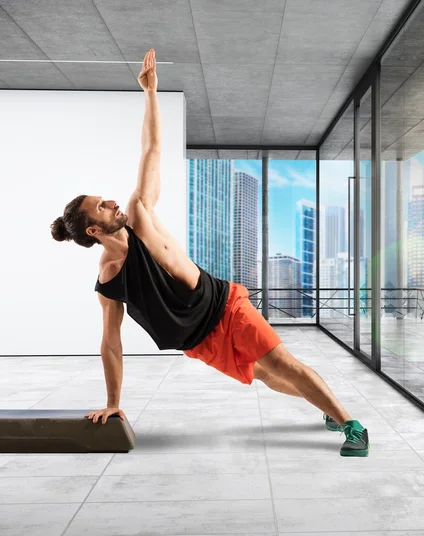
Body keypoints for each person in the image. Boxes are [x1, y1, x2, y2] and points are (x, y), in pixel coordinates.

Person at [50, 49, 369, 457]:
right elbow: (110, 344)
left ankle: (352, 425)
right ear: (94, 230)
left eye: (106, 198)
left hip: (223, 307)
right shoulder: (109, 279)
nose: (112, 202)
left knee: (283, 365)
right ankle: (324, 405)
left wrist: (150, 93)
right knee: (267, 376)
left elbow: (152, 151)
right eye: (101, 206)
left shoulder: (140, 217)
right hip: (200, 340)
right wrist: (114, 402)